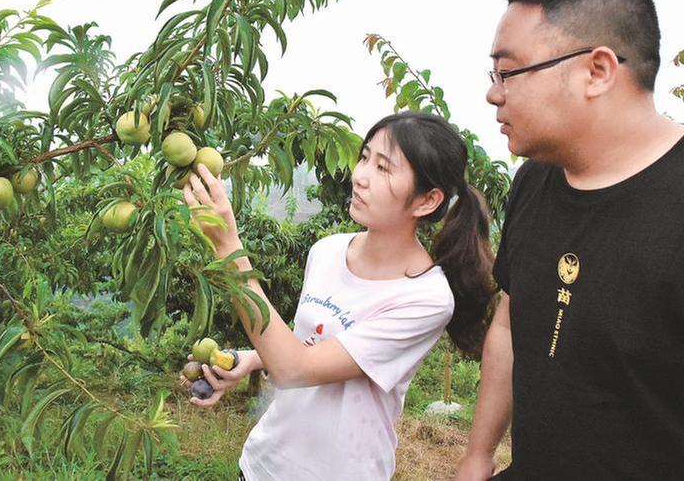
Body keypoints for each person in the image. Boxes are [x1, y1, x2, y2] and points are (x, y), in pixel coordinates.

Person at [455, 0, 684, 480]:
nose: (493, 93)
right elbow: (509, 321)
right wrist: (478, 457)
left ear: (597, 70)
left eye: (508, 71)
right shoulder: (537, 178)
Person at [182, 112, 497, 480]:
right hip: (262, 464)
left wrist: (227, 246)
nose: (360, 176)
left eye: (383, 168)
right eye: (364, 158)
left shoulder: (426, 297)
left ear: (426, 201)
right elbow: (310, 346)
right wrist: (252, 358)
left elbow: (295, 367)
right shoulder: (327, 251)